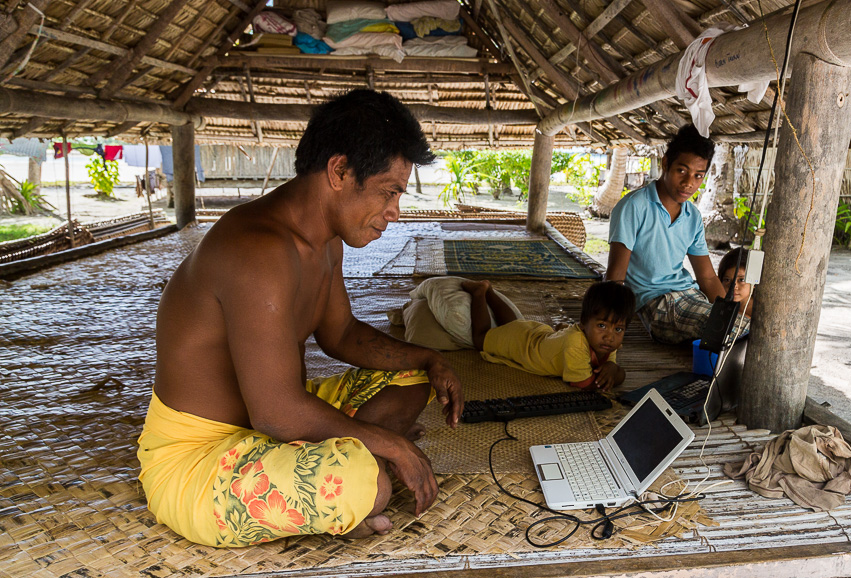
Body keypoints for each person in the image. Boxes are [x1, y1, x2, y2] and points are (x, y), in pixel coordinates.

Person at [138, 89, 463, 548]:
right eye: (389, 192)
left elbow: (341, 334)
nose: (394, 212)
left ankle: (350, 470)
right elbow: (275, 412)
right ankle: (364, 477)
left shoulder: (325, 242)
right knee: (365, 483)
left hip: (270, 429)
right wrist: (391, 443)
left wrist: (430, 359)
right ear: (339, 171)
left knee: (413, 375)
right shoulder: (257, 250)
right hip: (199, 461)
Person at [605, 124, 726, 344]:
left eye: (698, 176)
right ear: (665, 163)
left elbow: (707, 277)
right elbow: (616, 278)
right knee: (722, 330)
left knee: (739, 326)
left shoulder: (692, 216)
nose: (689, 183)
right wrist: (611, 328)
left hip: (690, 295)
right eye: (682, 171)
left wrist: (729, 312)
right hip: (655, 303)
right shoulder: (634, 206)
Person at [463, 280, 635, 391]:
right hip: (523, 346)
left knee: (513, 324)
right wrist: (616, 372)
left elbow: (612, 371)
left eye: (618, 329)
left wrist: (614, 369)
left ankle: (489, 292)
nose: (609, 337)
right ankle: (480, 293)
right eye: (602, 326)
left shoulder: (606, 343)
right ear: (583, 322)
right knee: (480, 339)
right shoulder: (575, 343)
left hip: (536, 335)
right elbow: (588, 385)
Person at [717, 247, 755, 318]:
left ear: (754, 282)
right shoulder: (719, 303)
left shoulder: (758, 311)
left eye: (741, 280)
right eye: (727, 280)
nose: (734, 286)